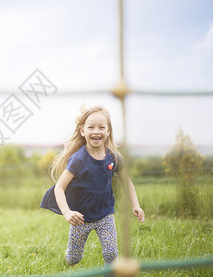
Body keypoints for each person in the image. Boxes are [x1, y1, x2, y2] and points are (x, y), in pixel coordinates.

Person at [40, 105, 145, 267]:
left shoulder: (114, 157)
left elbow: (126, 181)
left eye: (101, 127)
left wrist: (136, 205)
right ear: (82, 131)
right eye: (91, 127)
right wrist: (67, 212)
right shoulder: (78, 159)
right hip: (80, 219)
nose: (96, 131)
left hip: (105, 216)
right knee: (74, 258)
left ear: (108, 131)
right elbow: (58, 188)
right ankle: (68, 261)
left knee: (111, 254)